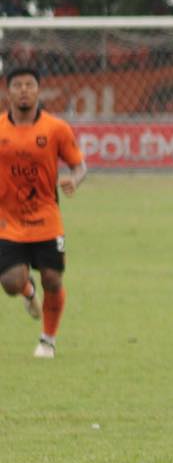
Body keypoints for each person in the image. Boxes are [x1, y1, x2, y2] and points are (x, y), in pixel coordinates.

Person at [0, 66, 86, 359]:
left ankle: (47, 340)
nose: (24, 90)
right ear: (7, 91)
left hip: (46, 218)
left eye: (30, 85)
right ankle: (28, 292)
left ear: (38, 90)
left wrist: (73, 181)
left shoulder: (56, 129)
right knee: (11, 283)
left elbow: (79, 165)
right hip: (9, 221)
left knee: (53, 278)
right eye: (18, 85)